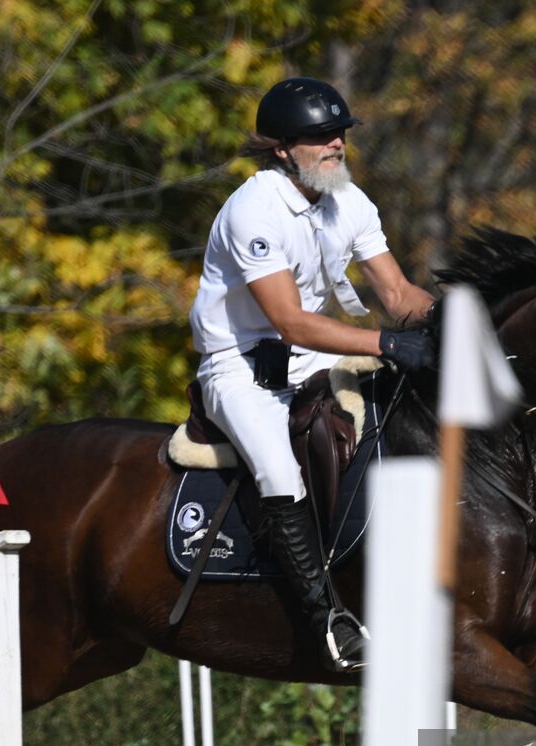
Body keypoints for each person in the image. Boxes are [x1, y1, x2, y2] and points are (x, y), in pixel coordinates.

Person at [188, 77, 436, 671]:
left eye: (340, 133)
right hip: (239, 366)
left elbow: (398, 294)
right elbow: (290, 321)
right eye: (321, 136)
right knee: (278, 469)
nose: (336, 144)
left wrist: (459, 325)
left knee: (404, 407)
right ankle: (327, 619)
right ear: (281, 149)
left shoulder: (349, 199)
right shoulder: (253, 210)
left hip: (312, 356)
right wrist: (386, 343)